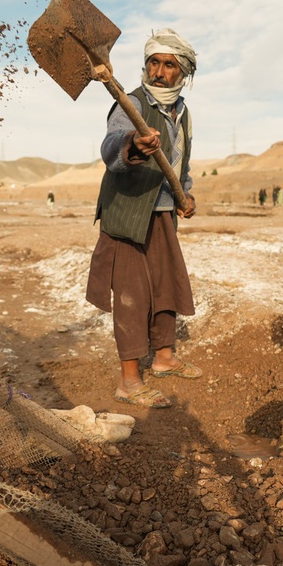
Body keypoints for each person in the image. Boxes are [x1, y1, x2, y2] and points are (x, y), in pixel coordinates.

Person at [85, 28, 202, 409]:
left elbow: (180, 160)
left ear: (182, 72)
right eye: (154, 62)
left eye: (169, 65)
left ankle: (164, 357)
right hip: (128, 214)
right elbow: (109, 147)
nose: (159, 71)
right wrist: (133, 144)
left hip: (164, 213)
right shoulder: (129, 103)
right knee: (132, 295)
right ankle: (130, 381)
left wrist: (185, 194)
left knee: (165, 286)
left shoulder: (181, 112)